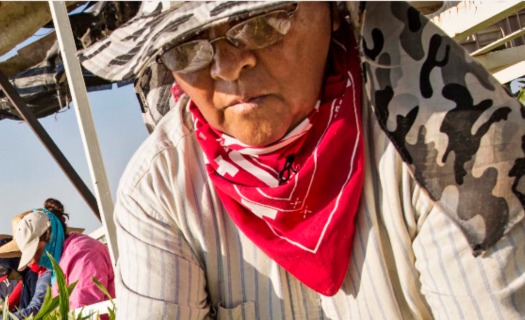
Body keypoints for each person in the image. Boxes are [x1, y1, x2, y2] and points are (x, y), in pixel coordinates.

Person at [79, 1, 525, 319]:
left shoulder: (454, 135)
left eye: (260, 20)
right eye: (185, 46)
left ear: (332, 11)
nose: (228, 66)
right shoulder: (159, 189)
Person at [14, 198, 115, 312]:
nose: (35, 260)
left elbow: (83, 309)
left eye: (36, 252)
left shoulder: (83, 254)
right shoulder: (60, 264)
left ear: (49, 236)